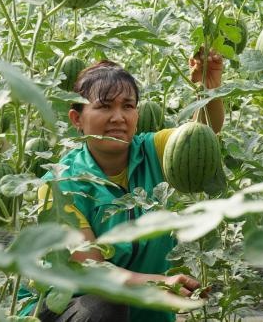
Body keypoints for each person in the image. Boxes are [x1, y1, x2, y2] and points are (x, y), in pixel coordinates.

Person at [19, 50, 225, 322]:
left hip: (142, 312)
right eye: (104, 106)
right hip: (66, 309)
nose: (118, 117)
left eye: (128, 106)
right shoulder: (60, 184)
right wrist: (157, 283)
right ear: (77, 119)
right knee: (105, 305)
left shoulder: (154, 150)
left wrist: (209, 89)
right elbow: (89, 268)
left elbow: (199, 137)